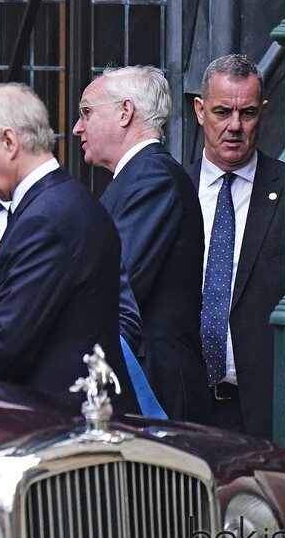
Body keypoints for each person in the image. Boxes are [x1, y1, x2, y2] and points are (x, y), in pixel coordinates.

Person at [188, 54, 285, 457]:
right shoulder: (174, 192)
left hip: (269, 421)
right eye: (222, 112)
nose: (235, 126)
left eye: (248, 113)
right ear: (200, 111)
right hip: (184, 413)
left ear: (264, 113)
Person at [0, 83, 136, 412]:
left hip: (60, 426)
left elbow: (6, 346)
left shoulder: (47, 217)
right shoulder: (58, 202)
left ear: (9, 142)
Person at [72, 65, 211, 423]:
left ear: (125, 112)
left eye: (87, 112)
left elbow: (112, 283)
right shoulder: (140, 176)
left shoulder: (152, 177)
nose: (77, 128)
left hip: (152, 388)